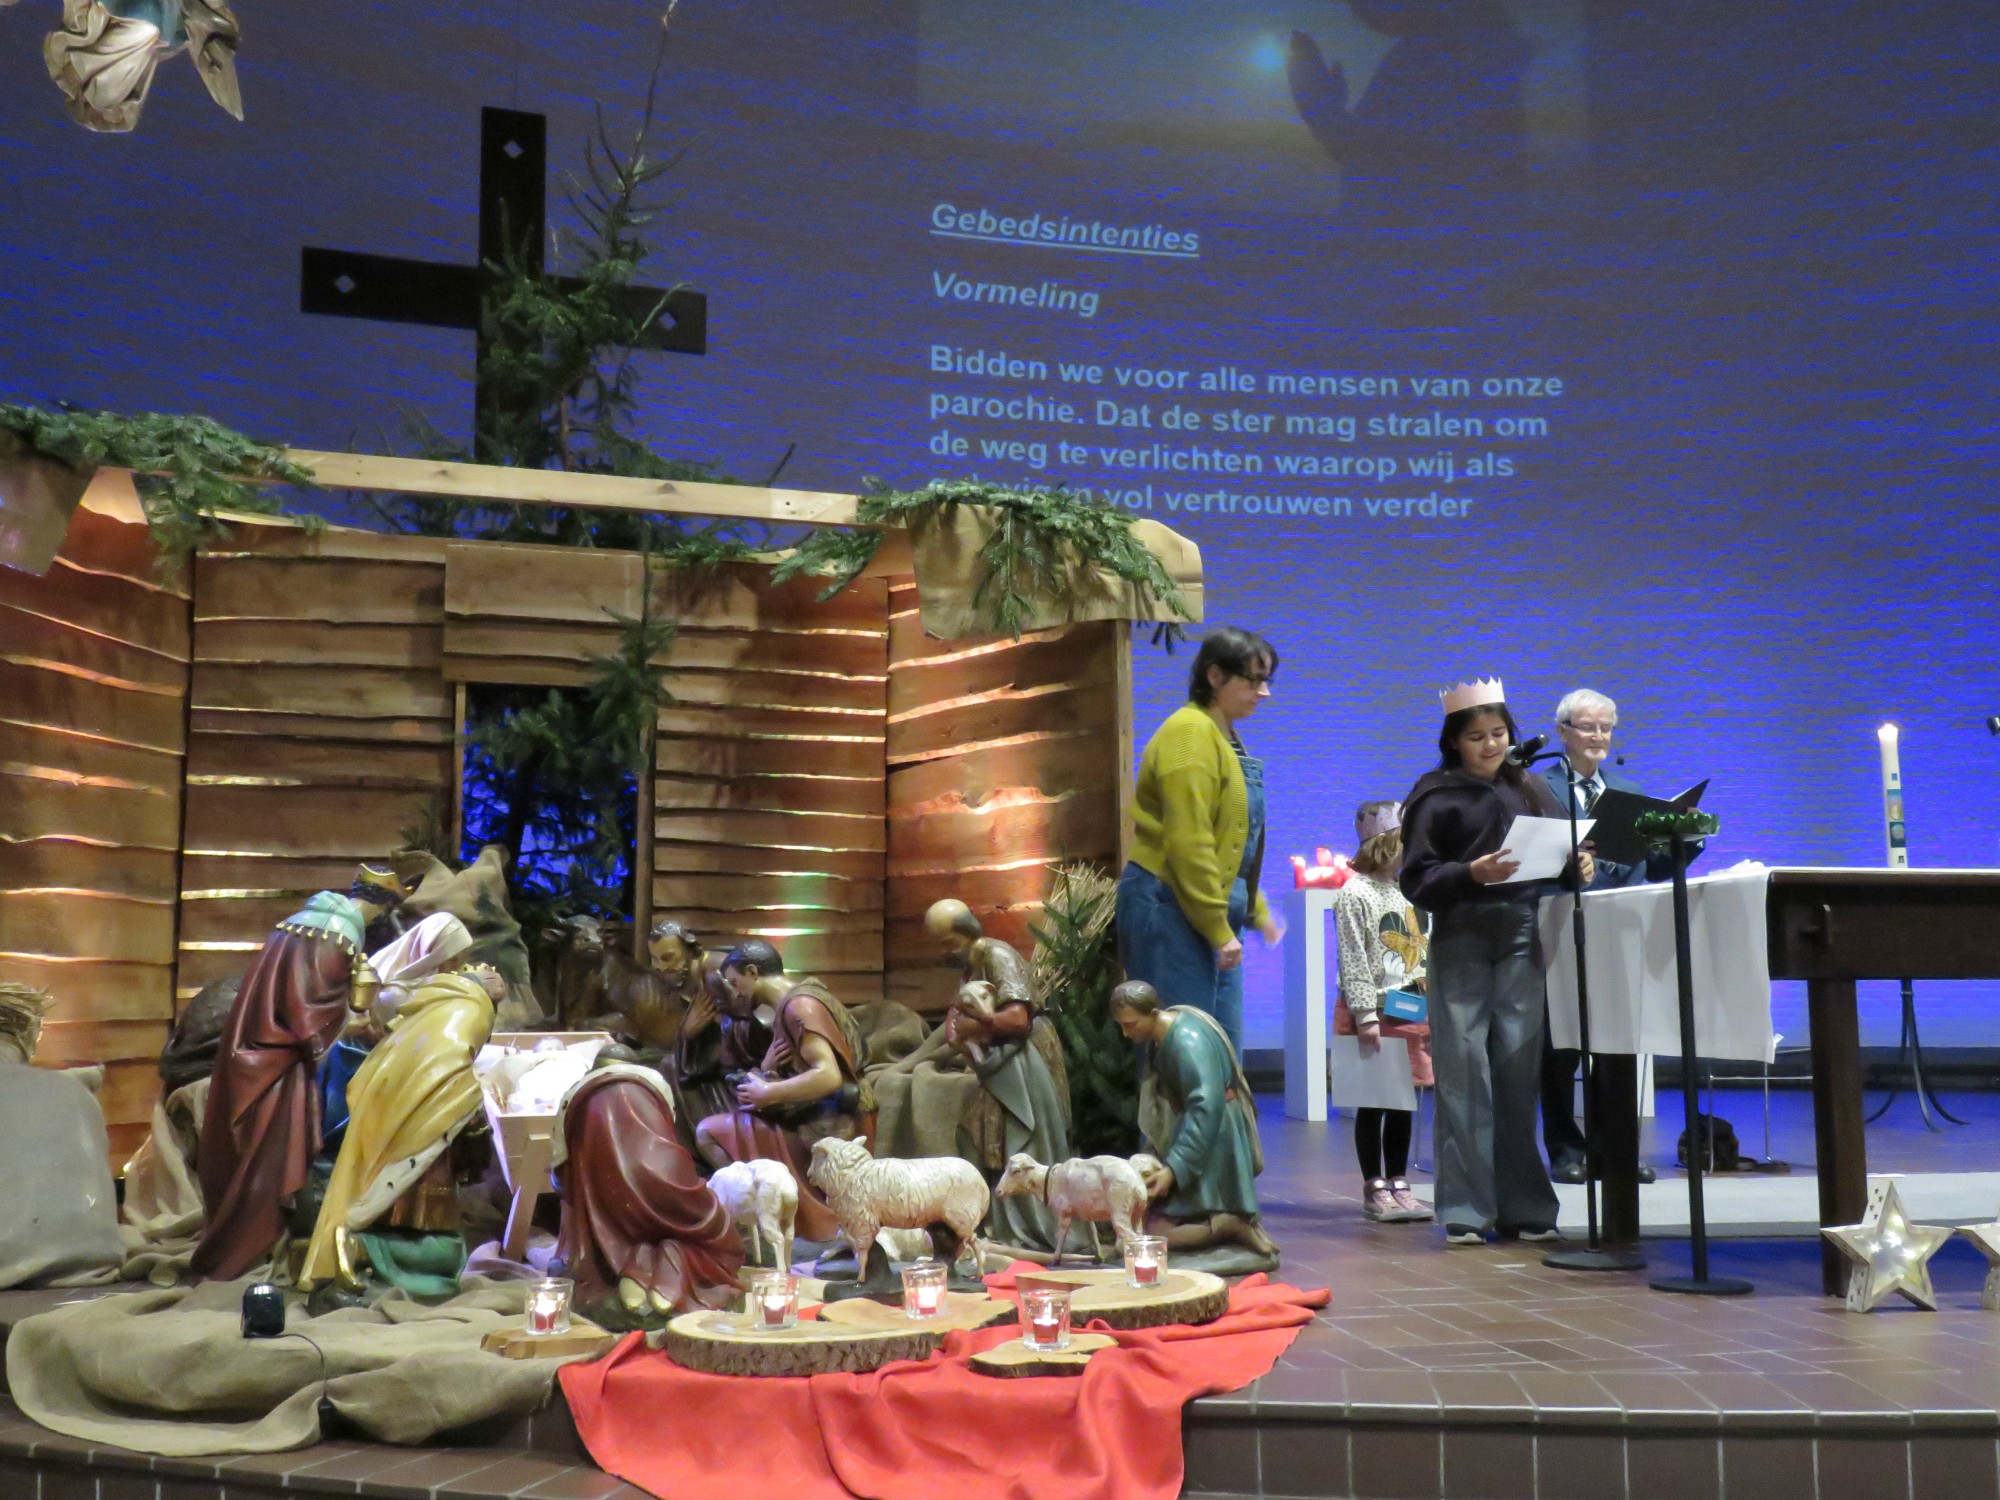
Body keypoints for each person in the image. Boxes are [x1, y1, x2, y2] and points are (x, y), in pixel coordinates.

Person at [1399, 679, 1591, 1246]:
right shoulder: (1435, 795)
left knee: (1516, 1069)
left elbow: (1556, 852)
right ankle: (1465, 1209)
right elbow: (1416, 879)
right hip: (1462, 935)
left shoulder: (1530, 788)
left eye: (1498, 734)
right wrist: (1468, 874)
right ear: (1454, 741)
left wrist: (1573, 865)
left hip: (1522, 934)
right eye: (1477, 737)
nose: (1490, 746)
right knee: (1462, 1071)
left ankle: (1526, 1206)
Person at [191, 863, 409, 1282]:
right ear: (381, 908)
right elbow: (308, 1014)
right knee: (269, 1163)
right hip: (276, 1064)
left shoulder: (298, 924)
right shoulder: (335, 936)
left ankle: (255, 1243)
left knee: (256, 1160)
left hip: (255, 1051)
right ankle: (253, 1247)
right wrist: (357, 1022)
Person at [1537, 688, 1689, 1185]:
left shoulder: (1625, 788)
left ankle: (1614, 1148)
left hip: (1621, 927)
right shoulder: (1538, 788)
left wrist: (1684, 841)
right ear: (1563, 732)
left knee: (1615, 1046)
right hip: (1562, 924)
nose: (1599, 736)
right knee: (1560, 1048)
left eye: (1606, 727)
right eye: (1588, 727)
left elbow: (1650, 866)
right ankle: (1564, 1147)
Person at [1117, 626, 1284, 1056]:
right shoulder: (1190, 735)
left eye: (1266, 681)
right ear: (1214, 676)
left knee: (1218, 1056)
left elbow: (1233, 841)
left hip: (1204, 912)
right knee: (1180, 1058)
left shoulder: (1225, 737)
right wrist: (1216, 928)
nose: (1263, 693)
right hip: (1170, 905)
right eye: (1252, 680)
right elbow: (1189, 843)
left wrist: (1254, 909)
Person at [878, 900, 1078, 1255]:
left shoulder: (996, 955)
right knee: (980, 1134)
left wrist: (971, 1027)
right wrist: (909, 1063)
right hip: (998, 1064)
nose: (943, 951)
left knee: (1021, 1139)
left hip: (1023, 1061)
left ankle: (1034, 1226)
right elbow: (952, 1030)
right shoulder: (971, 966)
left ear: (967, 931)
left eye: (947, 941)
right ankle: (999, 1222)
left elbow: (1018, 1019)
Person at [296, 964, 503, 1295]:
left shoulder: (422, 1020)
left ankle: (361, 1247)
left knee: (391, 1219)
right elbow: (469, 1144)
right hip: (427, 1174)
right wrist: (475, 1123)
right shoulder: (457, 1075)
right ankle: (361, 1249)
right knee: (446, 1250)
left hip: (383, 1154)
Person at [553, 1045, 745, 1328]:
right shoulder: (646, 1094)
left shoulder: (576, 1101)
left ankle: (642, 1270)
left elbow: (561, 1177)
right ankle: (665, 1268)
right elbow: (672, 1175)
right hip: (669, 1200)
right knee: (720, 1233)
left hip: (599, 1225)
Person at [692, 941, 868, 1242]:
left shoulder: (800, 1007)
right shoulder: (796, 1001)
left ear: (753, 971)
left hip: (831, 1117)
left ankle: (760, 1219)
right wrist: (768, 1069)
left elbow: (828, 1076)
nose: (735, 993)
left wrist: (767, 1093)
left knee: (708, 1131)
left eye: (735, 983)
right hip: (813, 1111)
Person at [1109, 980, 1276, 1263]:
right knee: (1150, 1226)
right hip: (1201, 1130)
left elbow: (1205, 1107)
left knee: (1155, 1234)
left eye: (1131, 1024)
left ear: (1152, 1013)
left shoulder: (1187, 1042)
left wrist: (1175, 1169)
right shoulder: (1165, 1032)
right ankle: (1227, 1223)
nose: (1126, 1033)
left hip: (1214, 1136)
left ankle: (1229, 1226)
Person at [1332, 801, 1433, 1223]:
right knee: (1374, 1101)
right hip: (1373, 1011)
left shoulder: (1411, 890)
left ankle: (1400, 1180)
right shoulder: (1355, 893)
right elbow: (1353, 957)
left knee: (1403, 1100)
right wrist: (1364, 1015)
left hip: (1410, 1007)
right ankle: (1374, 1184)